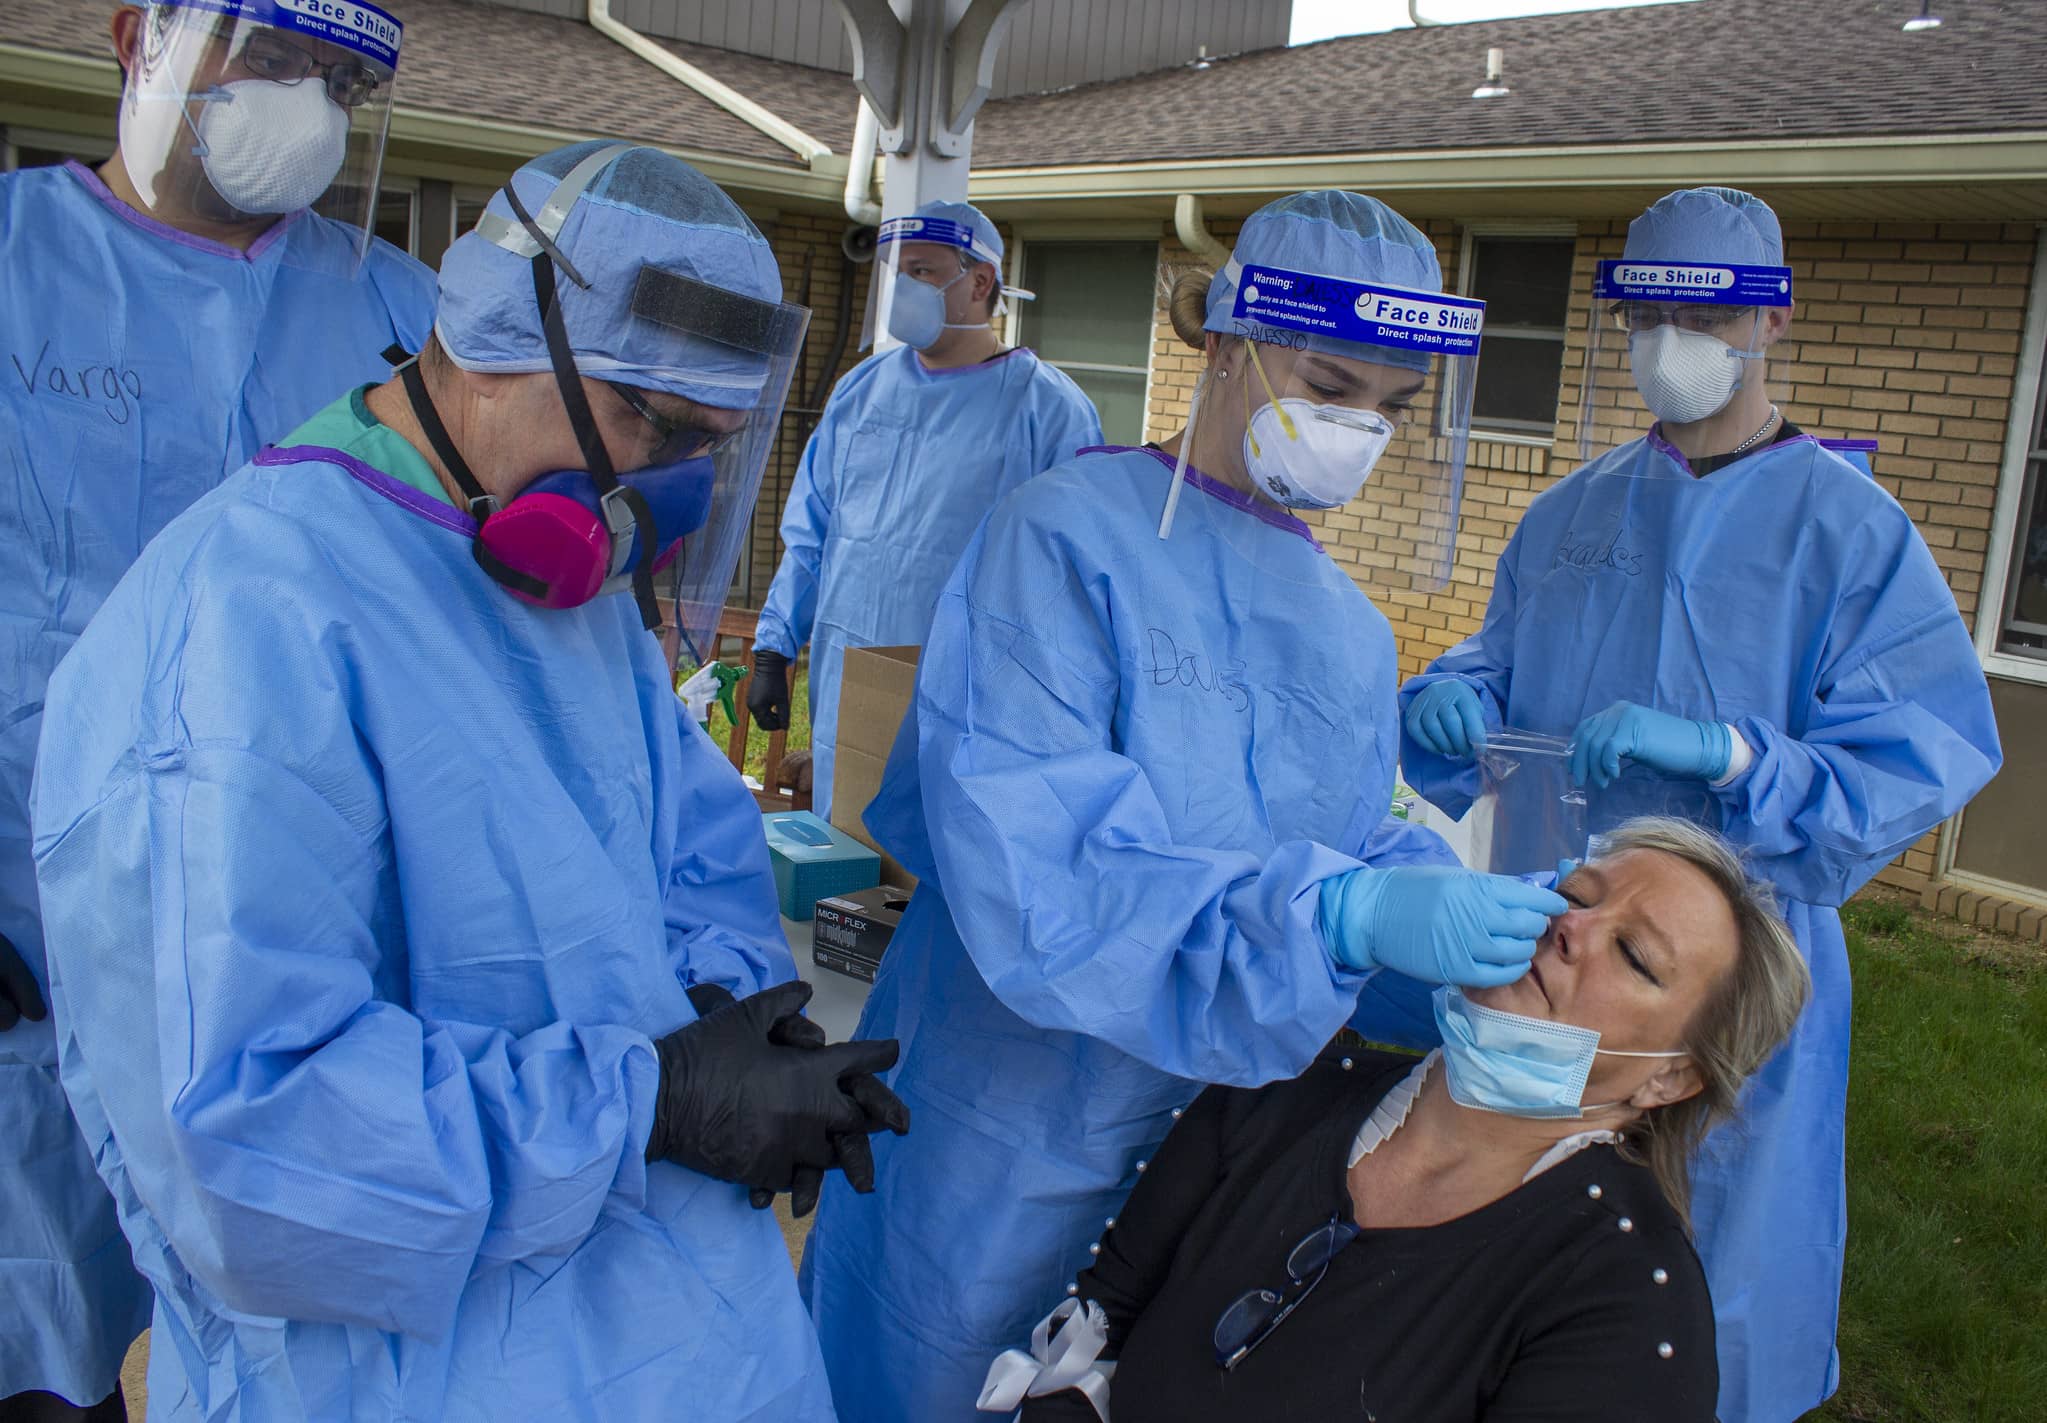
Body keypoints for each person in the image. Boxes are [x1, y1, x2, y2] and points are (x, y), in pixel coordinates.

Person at [30, 140, 908, 1423]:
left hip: (682, 1339)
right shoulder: (244, 622)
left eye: (708, 447)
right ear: (500, 337)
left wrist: (740, 1029)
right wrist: (650, 1103)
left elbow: (691, 861)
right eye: (650, 425)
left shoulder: (563, 599)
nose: (665, 490)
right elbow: (249, 1147)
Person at [799, 189, 1571, 1422]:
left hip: (1214, 1156)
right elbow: (1039, 864)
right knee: (929, 1376)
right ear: (1226, 337)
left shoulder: (1347, 630)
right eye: (1329, 381)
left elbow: (1335, 841)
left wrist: (1442, 925)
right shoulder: (1059, 540)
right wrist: (1331, 914)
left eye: (1390, 406)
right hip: (1005, 1122)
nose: (1356, 428)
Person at [1392, 187, 2003, 1423]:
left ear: (1771, 321)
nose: (1672, 337)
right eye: (1650, 310)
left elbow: (1918, 756)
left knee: (1712, 1239)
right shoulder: (1575, 509)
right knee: (1516, 1220)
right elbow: (1497, 665)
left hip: (1733, 971)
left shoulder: (1850, 534)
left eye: (1707, 310)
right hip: (1552, 943)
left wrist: (1731, 756)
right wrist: (1446, 697)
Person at [0, 4, 434, 1417]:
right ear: (140, 37)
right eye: (267, 57)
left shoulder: (403, 316)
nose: (298, 104)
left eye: (332, 78)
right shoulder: (12, 267)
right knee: (34, 1337)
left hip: (295, 947)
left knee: (263, 1343)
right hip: (24, 937)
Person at [982, 818, 1812, 1423]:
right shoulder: (1284, 1086)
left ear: (1671, 1077)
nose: (1569, 927)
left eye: (1633, 955)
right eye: (1573, 893)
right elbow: (1099, 1322)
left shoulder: (1624, 1297)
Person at [747, 199, 1102, 820]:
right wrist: (775, 648)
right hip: (847, 682)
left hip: (969, 698)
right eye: (898, 271)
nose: (904, 288)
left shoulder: (1046, 409)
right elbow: (812, 533)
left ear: (981, 282)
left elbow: (1074, 573)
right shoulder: (861, 390)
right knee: (845, 867)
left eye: (924, 271)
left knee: (939, 861)